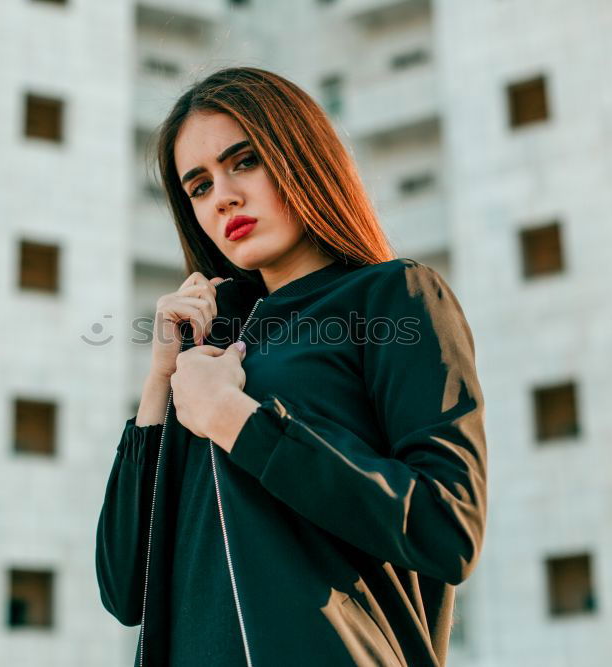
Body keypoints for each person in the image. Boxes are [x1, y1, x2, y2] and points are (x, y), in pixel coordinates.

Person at [95, 66, 487, 667]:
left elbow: (446, 526)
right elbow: (126, 590)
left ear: (299, 155)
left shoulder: (394, 299)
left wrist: (239, 420)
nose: (223, 195)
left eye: (244, 161)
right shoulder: (208, 359)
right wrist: (159, 387)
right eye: (198, 186)